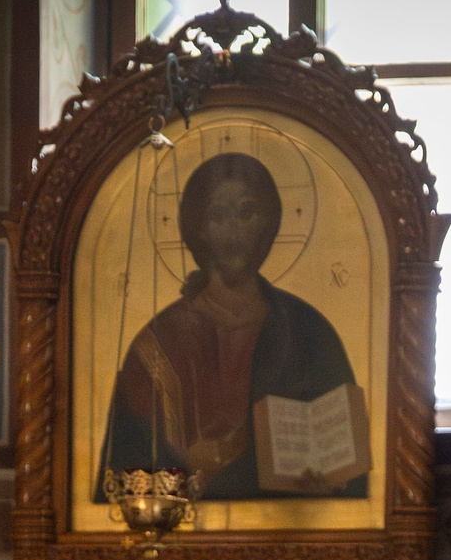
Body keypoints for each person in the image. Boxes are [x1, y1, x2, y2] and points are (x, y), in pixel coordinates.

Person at [98, 153, 365, 501]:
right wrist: (184, 466)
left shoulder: (308, 331)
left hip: (287, 526)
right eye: (218, 215)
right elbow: (122, 480)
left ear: (267, 222)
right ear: (199, 228)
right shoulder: (157, 344)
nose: (234, 229)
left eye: (247, 211)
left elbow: (348, 469)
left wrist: (330, 483)